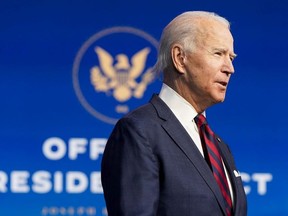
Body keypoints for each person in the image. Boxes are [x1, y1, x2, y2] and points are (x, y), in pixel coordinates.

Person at [101, 11, 247, 216]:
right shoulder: (139, 131)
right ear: (180, 58)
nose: (230, 68)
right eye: (218, 54)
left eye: (231, 57)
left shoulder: (220, 146)